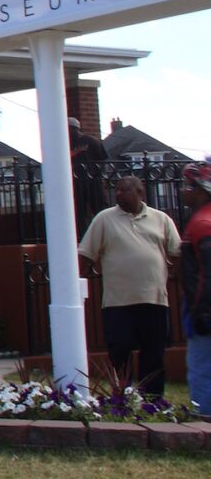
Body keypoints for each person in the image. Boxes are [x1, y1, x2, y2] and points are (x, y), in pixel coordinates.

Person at [78, 175, 180, 396]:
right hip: (118, 301)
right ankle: (121, 399)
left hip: (154, 299)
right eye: (116, 190)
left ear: (139, 192)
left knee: (153, 354)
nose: (118, 194)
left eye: (124, 190)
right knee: (119, 351)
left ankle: (152, 401)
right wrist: (77, 283)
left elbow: (176, 251)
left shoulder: (161, 219)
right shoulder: (104, 219)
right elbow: (86, 254)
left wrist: (174, 273)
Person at [177, 161, 211, 416]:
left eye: (188, 185)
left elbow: (205, 274)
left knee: (201, 365)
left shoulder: (201, 224)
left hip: (204, 310)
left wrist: (201, 312)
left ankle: (204, 417)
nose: (182, 191)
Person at [69, 117, 110, 226]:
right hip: (91, 179)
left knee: (81, 211)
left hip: (82, 181)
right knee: (96, 209)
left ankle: (85, 234)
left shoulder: (67, 143)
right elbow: (103, 160)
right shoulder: (93, 140)